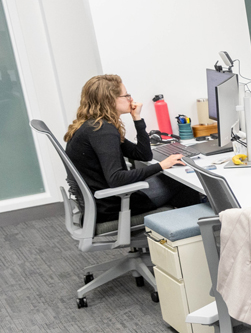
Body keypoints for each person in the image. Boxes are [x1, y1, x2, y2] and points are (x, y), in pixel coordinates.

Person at [64, 74, 199, 224]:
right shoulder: (102, 131)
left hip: (101, 203)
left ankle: (176, 235)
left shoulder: (94, 125)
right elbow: (116, 179)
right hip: (113, 206)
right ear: (109, 100)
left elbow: (143, 154)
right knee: (185, 182)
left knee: (174, 181)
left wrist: (137, 119)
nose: (131, 99)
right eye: (126, 95)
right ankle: (192, 233)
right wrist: (161, 165)